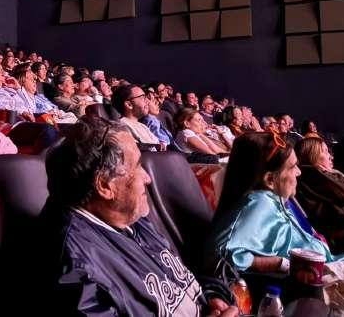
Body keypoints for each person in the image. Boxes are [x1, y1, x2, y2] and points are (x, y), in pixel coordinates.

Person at [40, 116, 239, 317]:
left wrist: (211, 295)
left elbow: (181, 281)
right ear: (105, 185)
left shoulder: (128, 215)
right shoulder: (76, 266)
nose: (148, 178)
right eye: (137, 166)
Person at [207, 131, 344, 315]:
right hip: (314, 287)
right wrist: (282, 264)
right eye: (293, 167)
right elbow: (219, 254)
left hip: (329, 271)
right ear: (270, 179)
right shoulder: (259, 202)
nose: (299, 172)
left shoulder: (276, 199)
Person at [111, 84, 164, 151]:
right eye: (143, 97)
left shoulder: (143, 126)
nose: (147, 101)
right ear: (129, 105)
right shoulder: (122, 126)